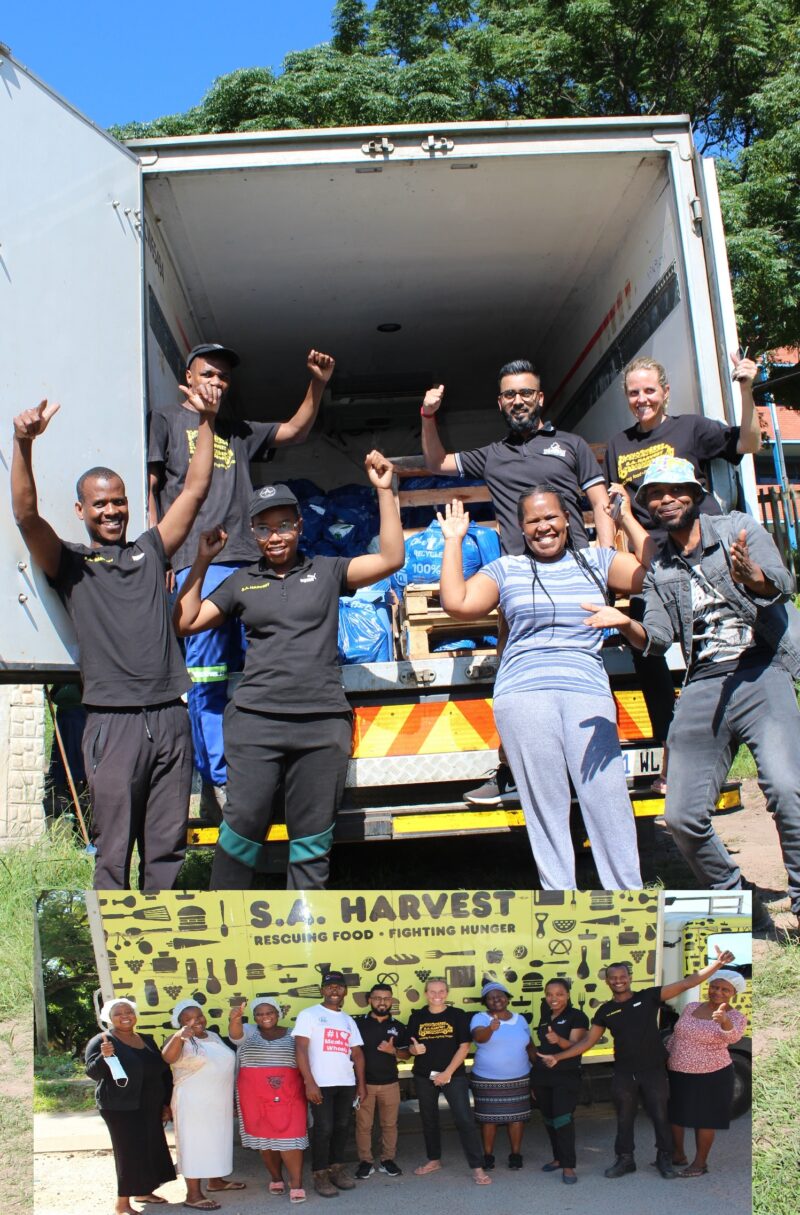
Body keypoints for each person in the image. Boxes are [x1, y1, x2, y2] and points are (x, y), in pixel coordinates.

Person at [11, 387, 219, 889]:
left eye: (119, 501)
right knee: (113, 851)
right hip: (113, 723)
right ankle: (113, 938)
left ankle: (158, 933)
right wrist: (23, 443)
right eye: (100, 503)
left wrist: (208, 420)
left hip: (169, 716)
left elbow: (194, 491)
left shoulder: (150, 551)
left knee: (167, 849)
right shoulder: (72, 564)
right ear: (81, 510)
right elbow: (26, 516)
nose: (112, 511)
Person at [174, 451, 405, 890]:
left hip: (321, 725)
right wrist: (201, 560)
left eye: (283, 525)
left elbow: (391, 558)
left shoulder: (327, 571)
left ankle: (304, 931)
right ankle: (225, 926)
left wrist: (384, 491)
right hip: (256, 724)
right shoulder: (241, 582)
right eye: (263, 528)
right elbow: (186, 621)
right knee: (240, 835)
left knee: (311, 845)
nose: (274, 536)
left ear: (299, 526)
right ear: (253, 533)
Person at [588, 455, 800, 931]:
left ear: (696, 492)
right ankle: (736, 897)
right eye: (655, 494)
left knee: (788, 789)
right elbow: (658, 638)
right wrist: (625, 624)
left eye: (675, 490)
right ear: (647, 505)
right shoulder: (659, 567)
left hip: (761, 669)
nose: (666, 499)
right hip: (704, 683)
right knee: (681, 816)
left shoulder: (737, 529)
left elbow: (783, 584)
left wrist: (752, 578)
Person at [148, 345, 335, 814]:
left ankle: (264, 768)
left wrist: (317, 384)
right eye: (208, 374)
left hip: (250, 565)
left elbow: (295, 430)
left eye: (224, 377)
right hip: (199, 563)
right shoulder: (166, 421)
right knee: (208, 676)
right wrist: (160, 555)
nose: (217, 382)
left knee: (259, 673)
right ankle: (221, 779)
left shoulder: (239, 430)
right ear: (188, 378)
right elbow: (151, 488)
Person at [421, 359, 615, 808]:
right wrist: (428, 416)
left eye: (526, 392)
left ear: (540, 398)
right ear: (500, 403)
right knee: (511, 674)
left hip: (573, 577)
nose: (518, 401)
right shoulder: (493, 454)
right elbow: (436, 461)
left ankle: (586, 771)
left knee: (583, 676)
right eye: (509, 394)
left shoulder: (571, 445)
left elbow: (600, 503)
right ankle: (510, 767)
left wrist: (604, 565)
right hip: (519, 584)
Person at [438, 490, 651, 889]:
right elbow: (457, 602)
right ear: (520, 528)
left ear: (567, 519)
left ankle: (627, 898)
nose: (544, 527)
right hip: (524, 695)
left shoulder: (597, 562)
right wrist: (453, 541)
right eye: (533, 521)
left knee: (607, 798)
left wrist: (625, 520)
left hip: (586, 691)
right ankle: (559, 900)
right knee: (545, 805)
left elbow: (651, 571)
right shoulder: (506, 569)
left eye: (550, 517)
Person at [603, 352, 762, 791]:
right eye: (633, 393)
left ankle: (716, 751)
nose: (642, 399)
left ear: (665, 392)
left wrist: (747, 389)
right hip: (654, 561)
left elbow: (748, 444)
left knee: (709, 655)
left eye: (649, 391)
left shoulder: (691, 428)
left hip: (700, 555)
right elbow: (618, 506)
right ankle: (669, 756)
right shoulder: (618, 444)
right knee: (645, 649)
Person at [536, 945, 737, 1180]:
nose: (618, 981)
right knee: (624, 1118)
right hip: (623, 1072)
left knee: (660, 1116)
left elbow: (687, 983)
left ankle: (664, 1159)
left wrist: (717, 964)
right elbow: (587, 1042)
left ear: (629, 978)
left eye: (622, 976)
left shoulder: (648, 996)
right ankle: (625, 1160)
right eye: (613, 978)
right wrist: (557, 1057)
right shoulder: (605, 1011)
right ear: (607, 982)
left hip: (653, 1070)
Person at [85, 999, 175, 1215]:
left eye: (129, 1011)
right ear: (109, 1018)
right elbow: (93, 1073)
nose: (125, 1016)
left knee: (149, 1147)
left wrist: (166, 1102)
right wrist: (104, 1057)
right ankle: (122, 1203)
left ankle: (143, 1191)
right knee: (128, 1152)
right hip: (120, 1107)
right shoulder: (102, 1040)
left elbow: (162, 1071)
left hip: (150, 1105)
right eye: (118, 1013)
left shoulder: (146, 1039)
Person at [406, 978, 491, 1185]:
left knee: (464, 1120)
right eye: (432, 991)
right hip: (424, 1075)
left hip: (454, 1075)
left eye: (441, 991)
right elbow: (409, 1047)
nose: (437, 995)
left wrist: (447, 1073)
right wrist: (413, 1050)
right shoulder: (417, 1016)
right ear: (426, 993)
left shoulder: (457, 1015)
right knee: (429, 1119)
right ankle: (434, 1160)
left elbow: (464, 1047)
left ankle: (477, 1167)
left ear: (447, 993)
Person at [161, 999, 243, 1210]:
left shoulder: (213, 1036)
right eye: (188, 1019)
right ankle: (193, 1194)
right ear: (180, 1022)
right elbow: (168, 1058)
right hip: (193, 1102)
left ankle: (215, 1181)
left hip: (219, 1100)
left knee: (217, 1140)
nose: (196, 1021)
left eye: (198, 1016)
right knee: (194, 1144)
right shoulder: (178, 1038)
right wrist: (179, 1036)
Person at [666, 968, 748, 1177]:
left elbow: (733, 1038)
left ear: (734, 993)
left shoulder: (736, 1017)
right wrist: (666, 1056)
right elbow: (677, 1035)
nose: (717, 992)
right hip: (678, 1070)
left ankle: (700, 1164)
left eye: (725, 989)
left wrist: (724, 1021)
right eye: (714, 987)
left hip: (712, 1074)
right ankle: (678, 1155)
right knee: (675, 1116)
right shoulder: (691, 1007)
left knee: (705, 1119)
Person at [292, 971, 367, 1198]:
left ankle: (337, 1169)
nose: (334, 990)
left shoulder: (348, 1020)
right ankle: (320, 1174)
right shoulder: (309, 1014)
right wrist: (309, 1082)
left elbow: (357, 1054)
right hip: (321, 1084)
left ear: (346, 991)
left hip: (346, 1082)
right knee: (324, 1128)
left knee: (342, 1127)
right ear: (322, 990)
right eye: (330, 986)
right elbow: (300, 1049)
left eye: (339, 986)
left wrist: (361, 1084)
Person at [229, 997, 309, 1203]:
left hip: (290, 1094)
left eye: (270, 1012)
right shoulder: (248, 1031)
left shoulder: (294, 1033)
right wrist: (235, 1019)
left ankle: (296, 1183)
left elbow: (305, 1059)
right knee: (265, 1140)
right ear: (254, 1017)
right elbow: (235, 1035)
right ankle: (276, 1178)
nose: (265, 1017)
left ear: (278, 1013)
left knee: (291, 1138)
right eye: (260, 1014)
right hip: (254, 1096)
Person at [529, 978, 590, 1185]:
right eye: (549, 994)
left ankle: (568, 1166)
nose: (553, 998)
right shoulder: (546, 1016)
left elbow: (577, 1046)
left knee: (563, 1119)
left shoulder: (577, 1016)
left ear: (568, 995)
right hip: (543, 1075)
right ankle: (558, 1158)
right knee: (549, 1119)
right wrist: (534, 1080)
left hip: (566, 1075)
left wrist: (559, 1040)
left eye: (559, 994)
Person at [469, 981, 533, 1172]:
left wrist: (539, 1065)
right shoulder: (479, 1018)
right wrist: (491, 1028)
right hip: (487, 1079)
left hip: (519, 1077)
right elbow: (479, 1037)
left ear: (507, 998)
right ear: (485, 1002)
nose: (496, 999)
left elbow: (530, 1045)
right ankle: (488, 1156)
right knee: (489, 1119)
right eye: (491, 997)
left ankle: (515, 1155)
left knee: (517, 1118)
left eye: (500, 995)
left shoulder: (520, 1019)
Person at [353, 984, 408, 1180]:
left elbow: (406, 1054)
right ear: (369, 1000)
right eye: (377, 998)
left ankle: (387, 1160)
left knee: (390, 1125)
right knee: (363, 1126)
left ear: (391, 1001)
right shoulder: (357, 1024)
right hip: (364, 1084)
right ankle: (365, 1162)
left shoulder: (398, 1026)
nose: (382, 1002)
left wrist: (393, 1051)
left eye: (386, 998)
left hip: (390, 1083)